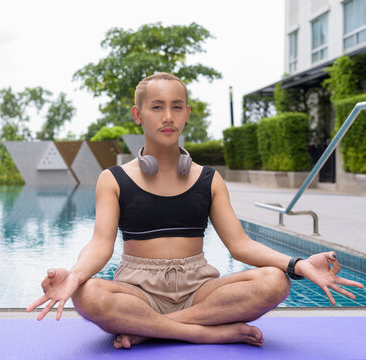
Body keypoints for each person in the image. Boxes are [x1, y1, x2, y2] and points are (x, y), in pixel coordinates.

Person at [26, 72, 364, 349]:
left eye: (177, 107)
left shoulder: (210, 179)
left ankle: (152, 330)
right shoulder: (112, 179)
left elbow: (241, 245)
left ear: (188, 113)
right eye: (157, 107)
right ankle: (203, 332)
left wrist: (299, 265)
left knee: (275, 282)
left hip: (199, 289)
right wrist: (74, 276)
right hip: (138, 291)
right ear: (138, 114)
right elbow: (101, 245)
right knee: (88, 294)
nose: (168, 117)